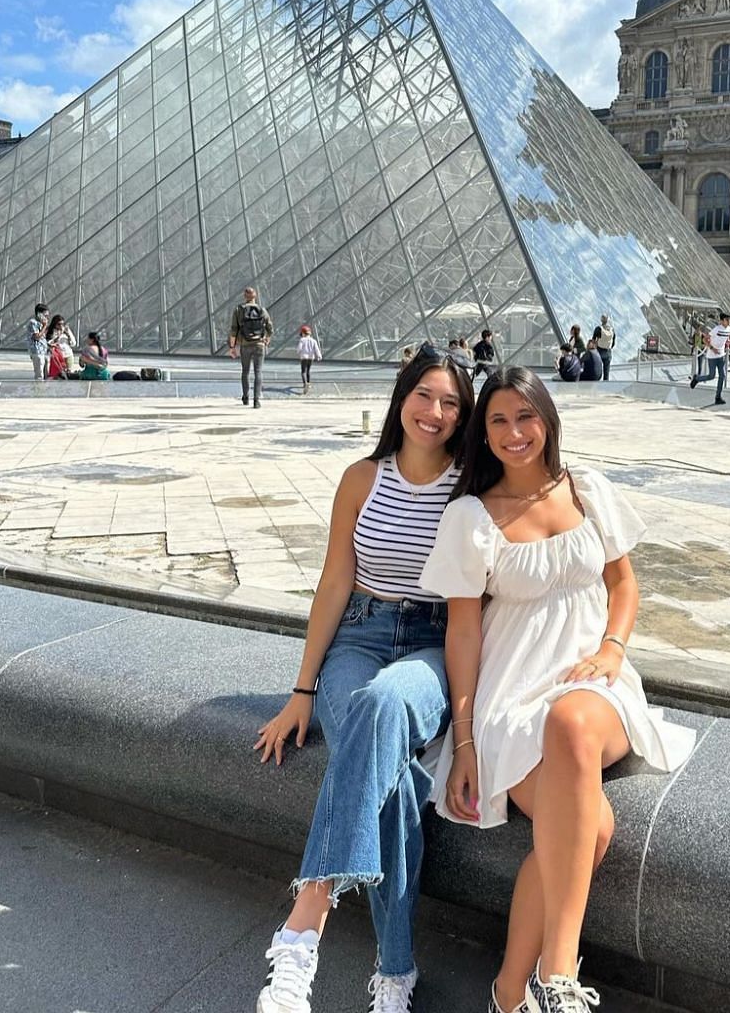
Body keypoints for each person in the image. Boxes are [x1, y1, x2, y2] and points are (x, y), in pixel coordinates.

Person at [420, 367, 697, 1013]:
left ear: (548, 419)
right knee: (590, 827)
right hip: (511, 694)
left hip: (592, 681)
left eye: (526, 416)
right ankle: (511, 994)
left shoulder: (589, 489)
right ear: (482, 435)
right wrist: (464, 743)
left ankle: (557, 973)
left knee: (572, 723)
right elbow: (463, 635)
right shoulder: (469, 516)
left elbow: (624, 587)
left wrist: (612, 647)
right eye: (498, 420)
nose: (515, 433)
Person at [250, 350, 475, 1013]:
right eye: (425, 395)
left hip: (433, 645)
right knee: (396, 780)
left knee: (381, 708)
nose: (435, 413)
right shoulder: (360, 478)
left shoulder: (471, 487)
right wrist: (303, 690)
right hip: (359, 637)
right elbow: (334, 583)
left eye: (451, 403)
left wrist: (466, 732)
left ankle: (305, 923)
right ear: (402, 396)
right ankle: (395, 974)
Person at [228, 288, 275, 407]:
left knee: (245, 371)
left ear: (244, 296)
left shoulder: (239, 310)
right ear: (255, 296)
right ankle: (257, 400)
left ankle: (245, 397)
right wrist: (266, 340)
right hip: (259, 344)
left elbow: (234, 330)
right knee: (258, 371)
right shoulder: (262, 310)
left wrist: (232, 347)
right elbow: (270, 329)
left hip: (245, 344)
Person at [689, 312, 730, 407]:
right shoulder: (716, 329)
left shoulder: (729, 329)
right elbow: (705, 340)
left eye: (729, 320)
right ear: (722, 321)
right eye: (727, 320)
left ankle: (718, 397)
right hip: (712, 356)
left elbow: (727, 340)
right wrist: (713, 348)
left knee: (722, 376)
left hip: (721, 355)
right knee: (711, 376)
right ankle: (697, 378)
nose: (729, 321)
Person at [44, 313, 77, 379]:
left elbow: (73, 343)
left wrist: (68, 335)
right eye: (59, 324)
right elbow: (49, 343)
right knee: (57, 375)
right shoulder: (51, 331)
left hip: (68, 355)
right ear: (54, 324)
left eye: (62, 324)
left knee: (68, 374)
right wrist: (59, 335)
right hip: (57, 356)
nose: (61, 326)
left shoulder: (66, 331)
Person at [24, 302, 49, 380]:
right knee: (39, 375)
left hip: (43, 351)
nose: (46, 318)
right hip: (37, 351)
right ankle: (38, 390)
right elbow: (36, 336)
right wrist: (45, 326)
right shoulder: (33, 323)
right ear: (39, 314)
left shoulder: (40, 323)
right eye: (45, 315)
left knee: (46, 374)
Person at [297, 326, 322, 394]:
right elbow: (316, 349)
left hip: (304, 357)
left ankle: (305, 384)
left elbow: (299, 348)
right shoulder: (313, 340)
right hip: (311, 358)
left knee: (303, 371)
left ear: (303, 333)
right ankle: (308, 383)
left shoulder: (302, 340)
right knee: (308, 371)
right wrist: (319, 356)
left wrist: (298, 353)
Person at [591, 315, 615, 380]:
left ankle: (595, 384)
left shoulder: (598, 329)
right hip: (608, 352)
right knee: (606, 372)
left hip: (599, 351)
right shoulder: (612, 330)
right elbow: (613, 343)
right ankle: (605, 386)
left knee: (597, 370)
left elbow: (593, 340)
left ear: (601, 320)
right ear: (608, 320)